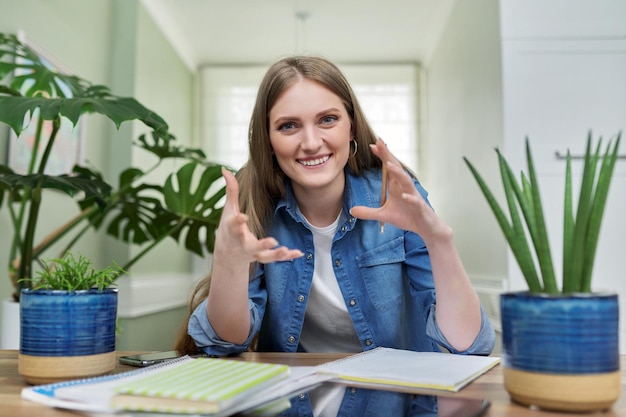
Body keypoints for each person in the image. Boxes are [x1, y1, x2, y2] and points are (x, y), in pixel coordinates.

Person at [174, 55, 495, 414]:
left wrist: (440, 241)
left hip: (394, 407)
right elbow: (225, 342)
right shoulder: (253, 206)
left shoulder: (396, 196)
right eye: (288, 126)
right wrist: (227, 261)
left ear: (352, 127)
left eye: (328, 119)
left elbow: (468, 345)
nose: (311, 143)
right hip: (294, 405)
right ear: (268, 139)